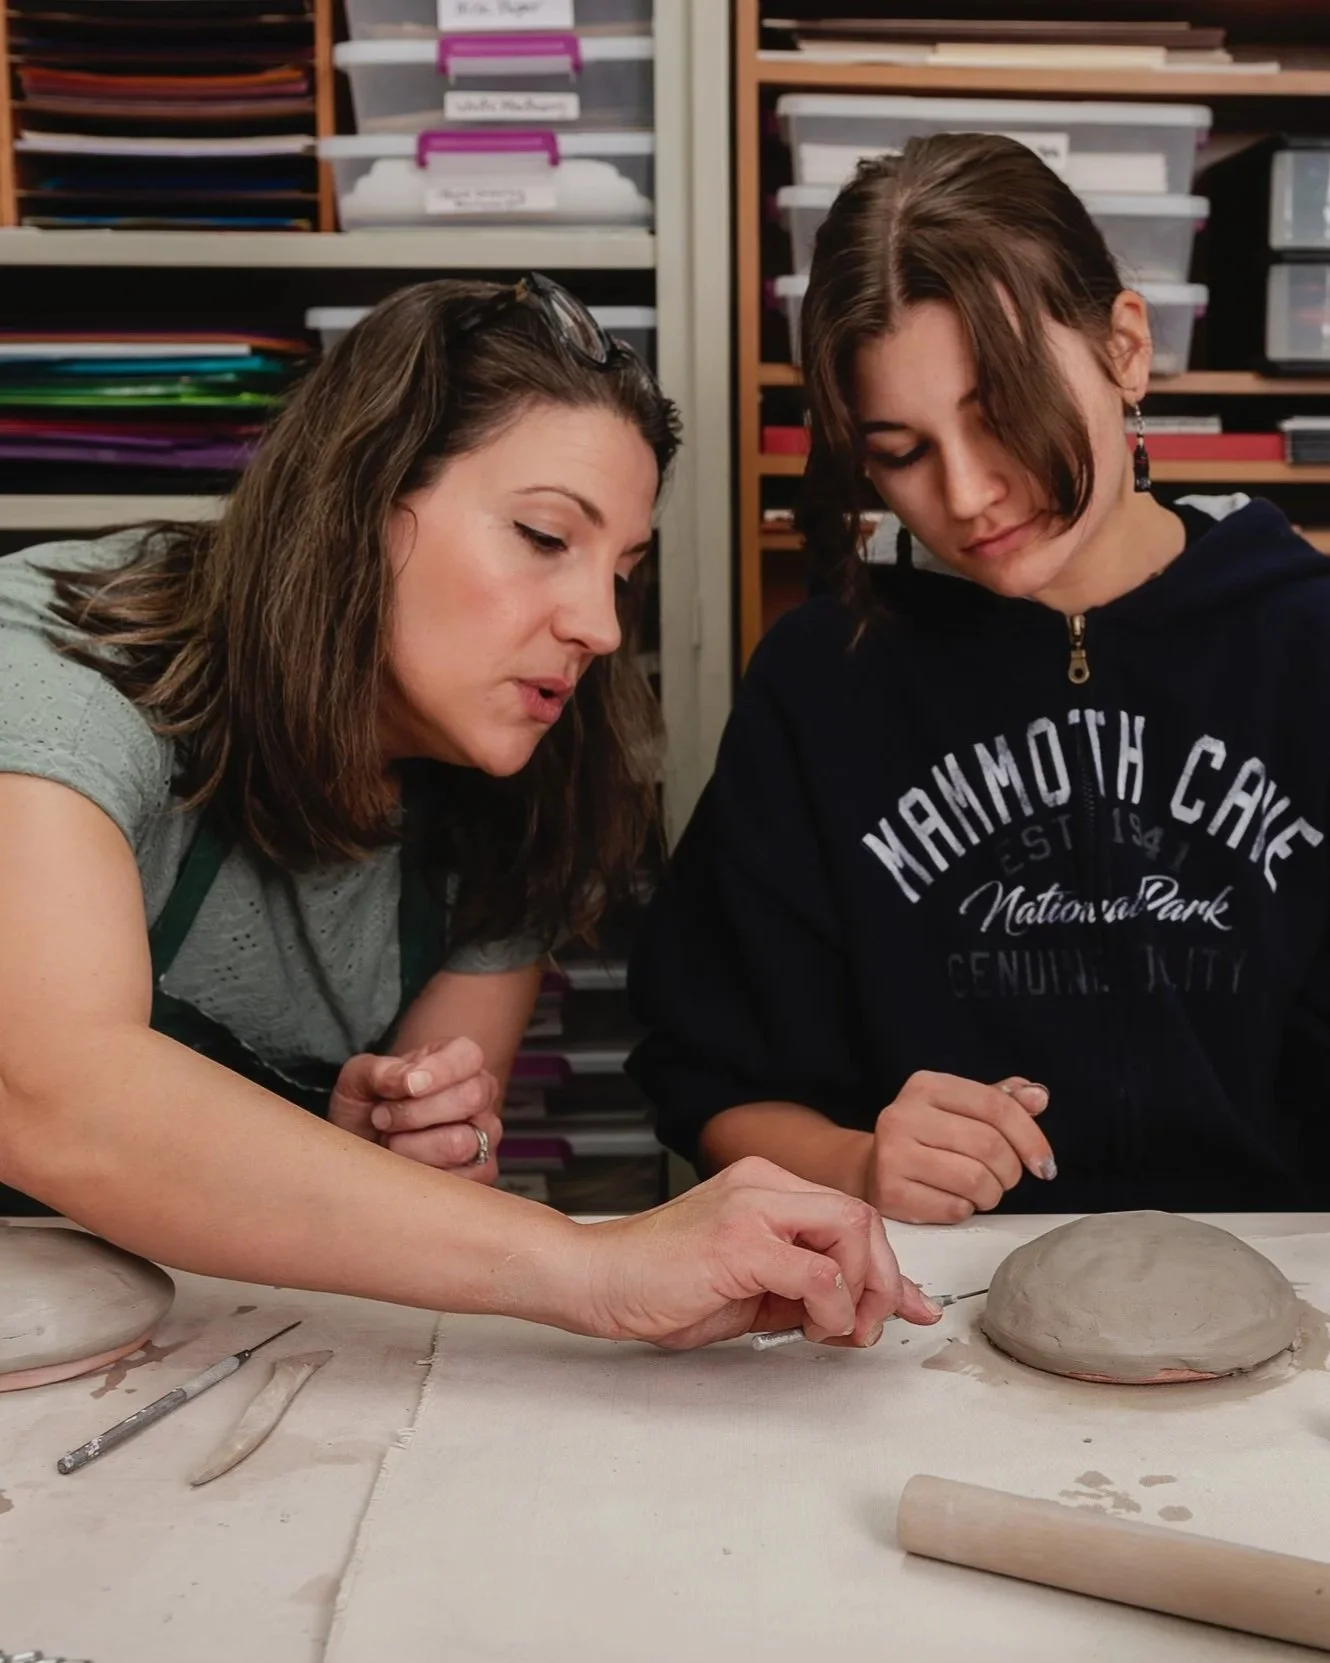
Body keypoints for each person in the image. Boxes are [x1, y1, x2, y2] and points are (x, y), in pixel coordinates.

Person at [0, 276, 938, 1349]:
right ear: (360, 501)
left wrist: (397, 1148)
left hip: (218, 1327)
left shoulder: (531, 780)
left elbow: (431, 1184)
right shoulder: (61, 662)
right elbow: (47, 1088)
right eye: (545, 536)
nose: (594, 624)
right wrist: (589, 1264)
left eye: (621, 573)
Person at [629, 134, 1330, 1222]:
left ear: (1125, 349)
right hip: (933, 1315)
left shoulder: (1307, 644)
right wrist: (859, 1164)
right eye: (900, 452)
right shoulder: (821, 687)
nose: (965, 495)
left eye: (1000, 410)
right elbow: (713, 1079)